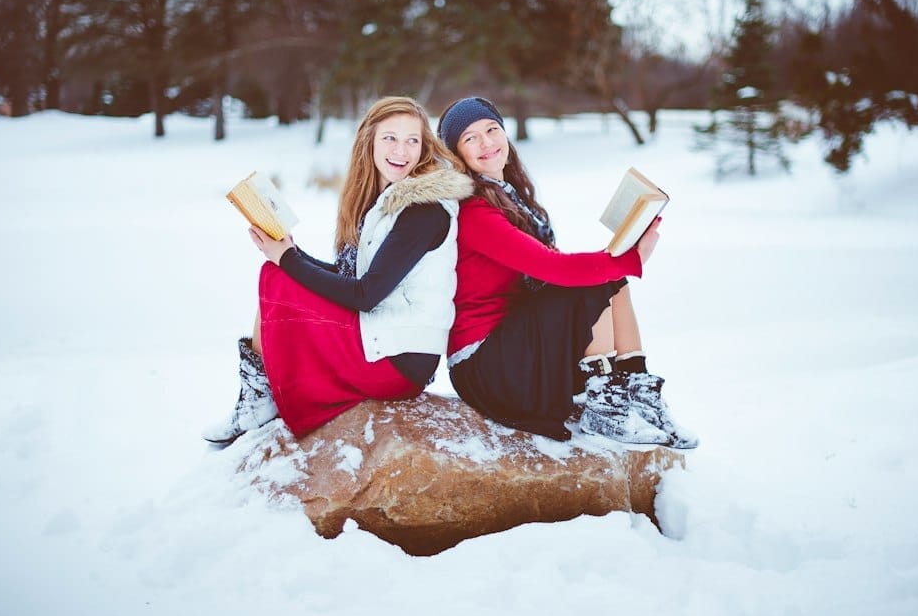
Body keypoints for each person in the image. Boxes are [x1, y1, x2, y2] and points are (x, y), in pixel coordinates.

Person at [203, 96, 474, 444]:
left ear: (423, 149)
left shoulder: (423, 210)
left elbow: (366, 294)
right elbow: (355, 281)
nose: (401, 150)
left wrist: (288, 259)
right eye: (390, 138)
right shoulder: (388, 202)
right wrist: (291, 253)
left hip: (399, 359)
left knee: (278, 277)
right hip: (386, 337)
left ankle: (260, 397)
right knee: (280, 273)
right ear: (370, 142)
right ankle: (261, 394)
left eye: (412, 141)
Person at [437, 96, 698, 448]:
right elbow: (551, 268)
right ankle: (603, 403)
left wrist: (618, 259)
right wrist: (628, 259)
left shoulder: (512, 198)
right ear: (457, 154)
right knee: (591, 281)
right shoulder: (474, 211)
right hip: (485, 363)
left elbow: (552, 269)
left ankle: (638, 391)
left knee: (608, 280)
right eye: (470, 138)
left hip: (516, 344)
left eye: (492, 130)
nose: (486, 143)